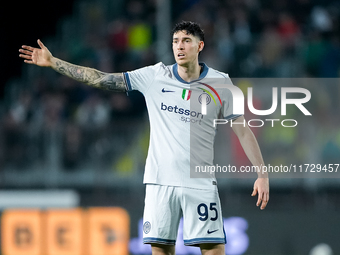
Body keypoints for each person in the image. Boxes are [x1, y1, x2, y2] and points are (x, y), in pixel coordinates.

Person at [19, 21, 269, 255]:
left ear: (200, 46)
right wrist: (55, 63)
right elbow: (102, 79)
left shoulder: (221, 82)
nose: (179, 46)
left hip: (200, 183)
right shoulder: (154, 76)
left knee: (214, 250)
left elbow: (243, 130)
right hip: (160, 182)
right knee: (160, 251)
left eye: (186, 41)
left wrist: (262, 174)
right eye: (175, 41)